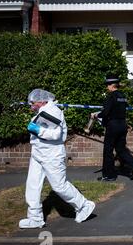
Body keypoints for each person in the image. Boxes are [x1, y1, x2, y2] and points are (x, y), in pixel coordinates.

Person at [19, 89, 95, 229]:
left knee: (59, 186)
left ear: (42, 101)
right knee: (33, 185)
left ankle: (84, 205)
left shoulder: (53, 111)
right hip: (38, 153)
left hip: (52, 154)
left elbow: (56, 135)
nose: (31, 106)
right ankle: (35, 217)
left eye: (33, 103)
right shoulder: (43, 110)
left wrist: (38, 130)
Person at [92, 75, 133, 181]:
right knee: (121, 149)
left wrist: (96, 115)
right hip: (122, 125)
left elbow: (106, 112)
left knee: (108, 150)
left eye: (107, 85)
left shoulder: (111, 96)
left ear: (112, 85)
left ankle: (109, 175)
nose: (107, 87)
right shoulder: (122, 96)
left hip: (113, 125)